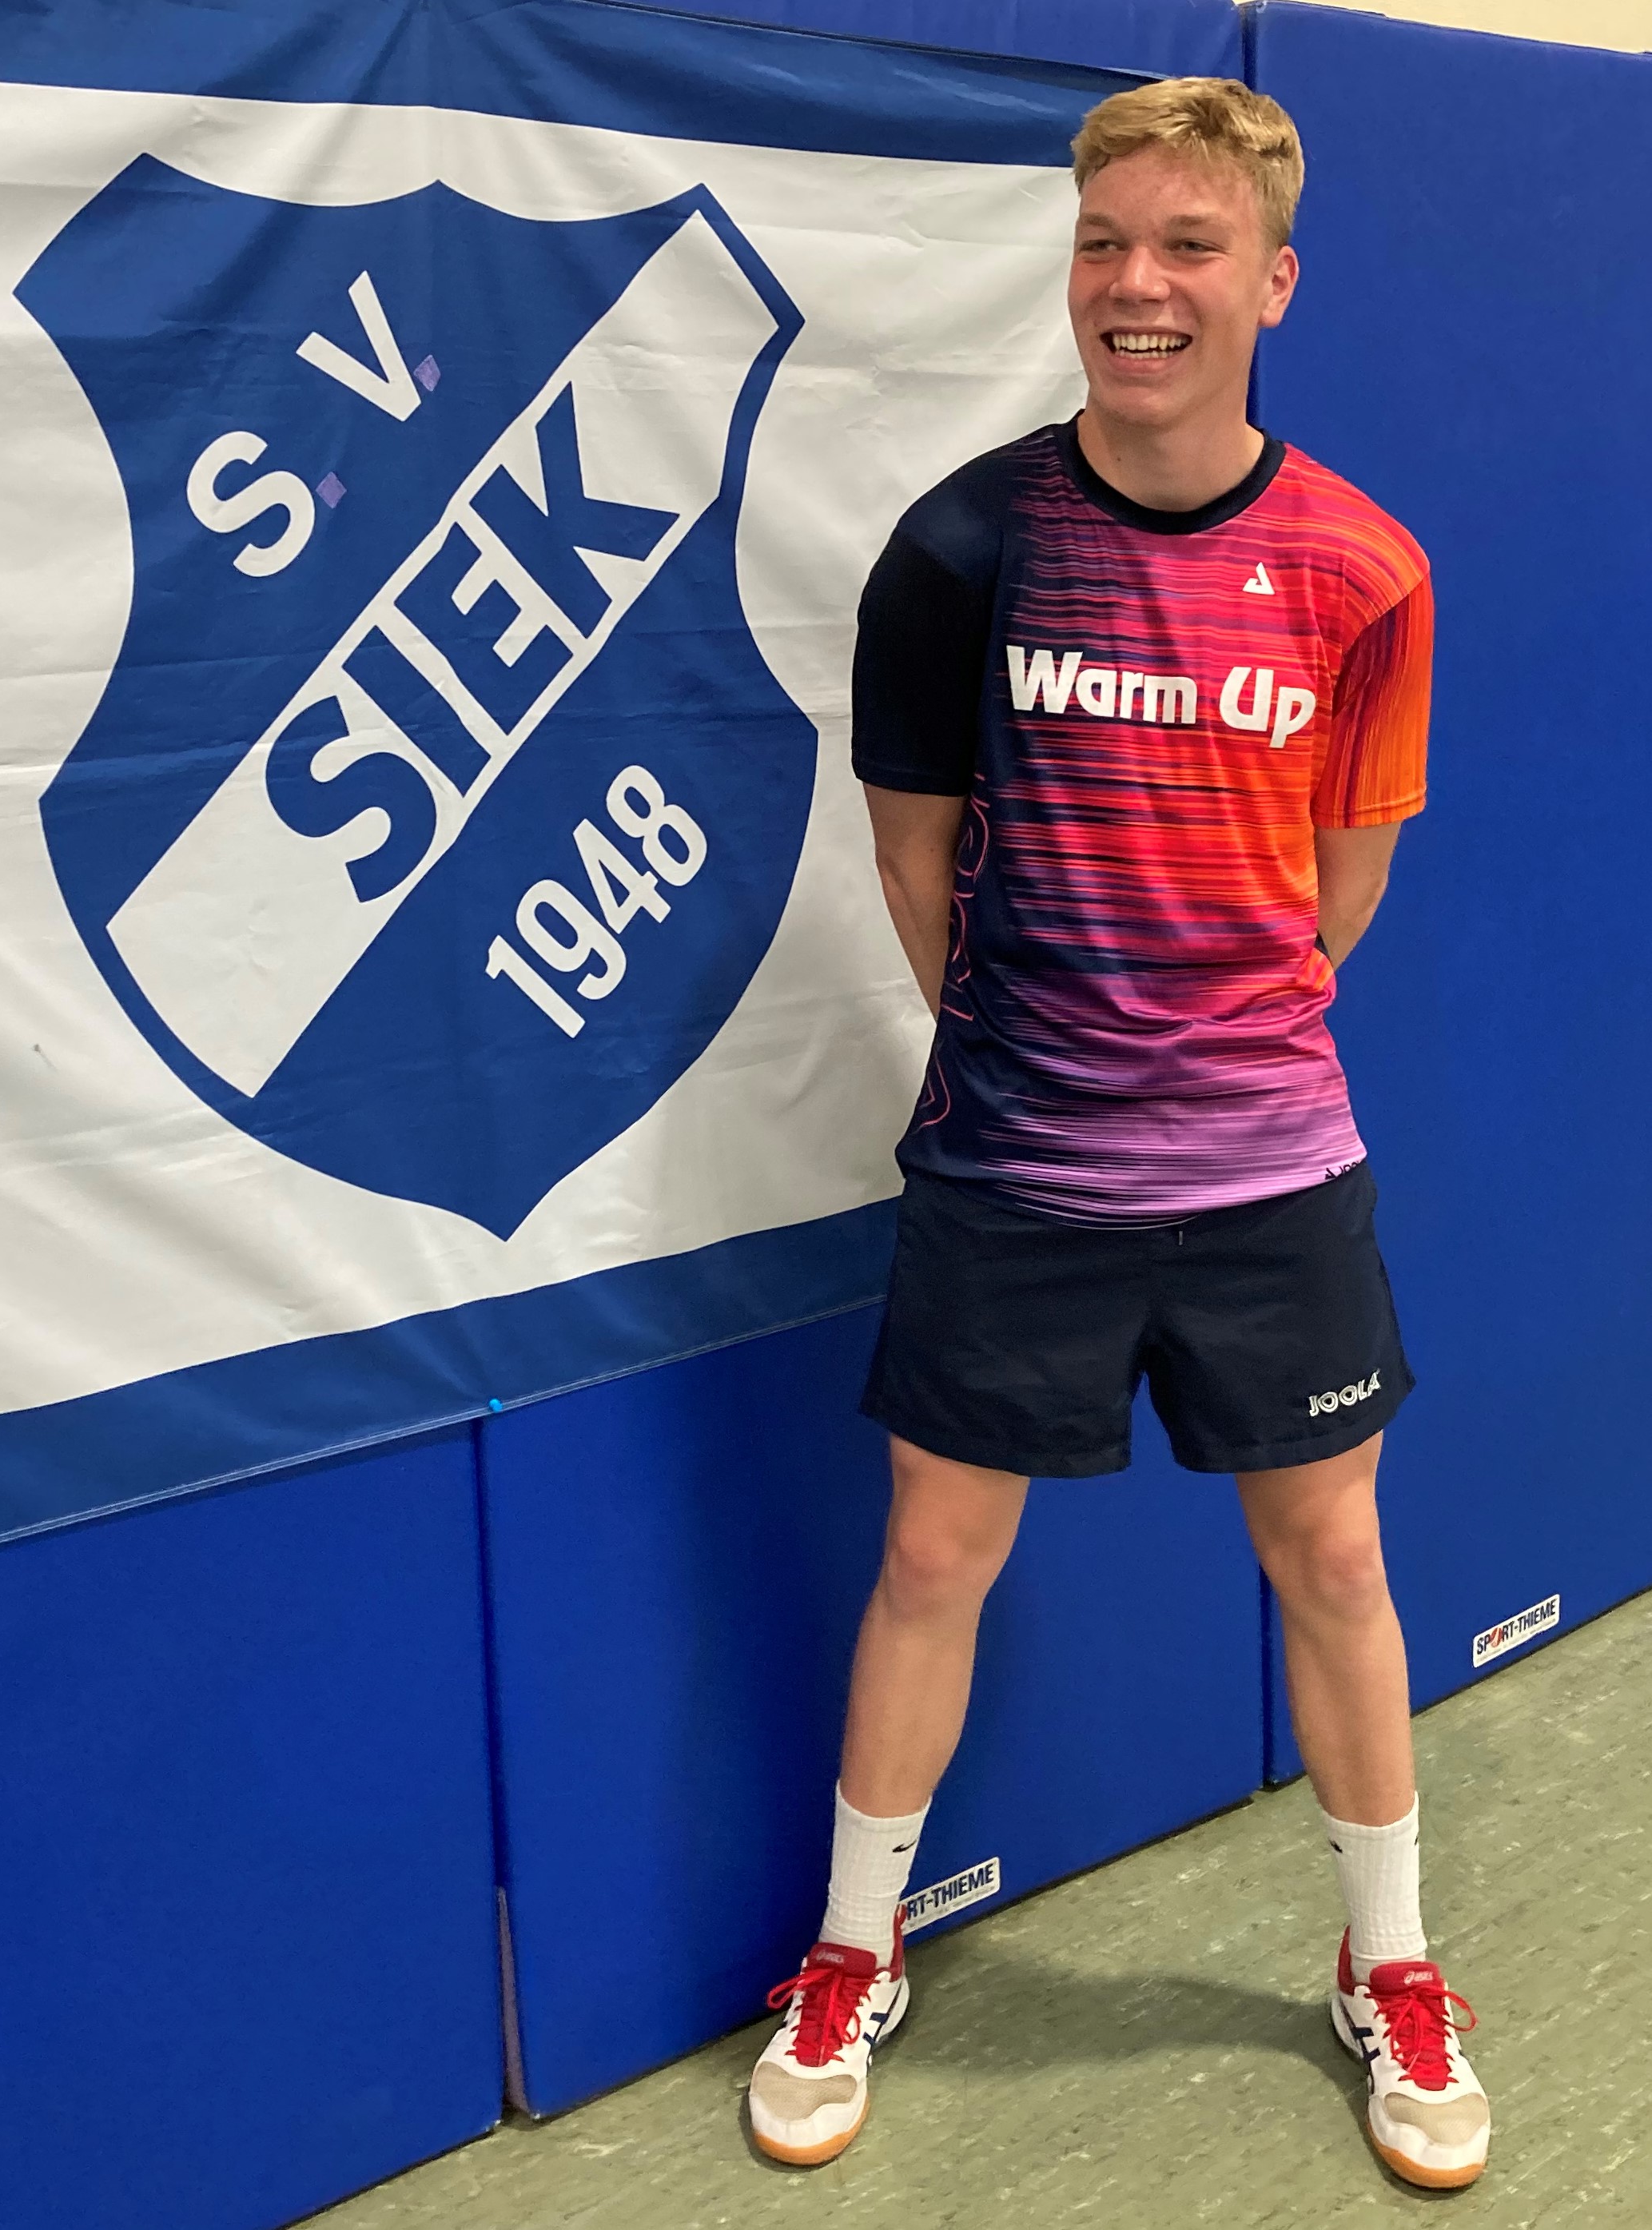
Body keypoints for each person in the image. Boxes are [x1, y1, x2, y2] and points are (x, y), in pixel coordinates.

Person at [746, 78, 1491, 2192]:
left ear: (1273, 281)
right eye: (1103, 244)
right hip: (1013, 1173)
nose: (1135, 286)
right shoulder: (961, 547)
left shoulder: (1364, 569)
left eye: (1185, 247)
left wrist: (1201, 1050)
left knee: (1333, 1559)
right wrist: (1047, 1057)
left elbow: (1339, 889)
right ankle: (853, 1949)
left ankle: (1389, 1966)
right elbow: (914, 858)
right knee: (931, 1558)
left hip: (1271, 1176)